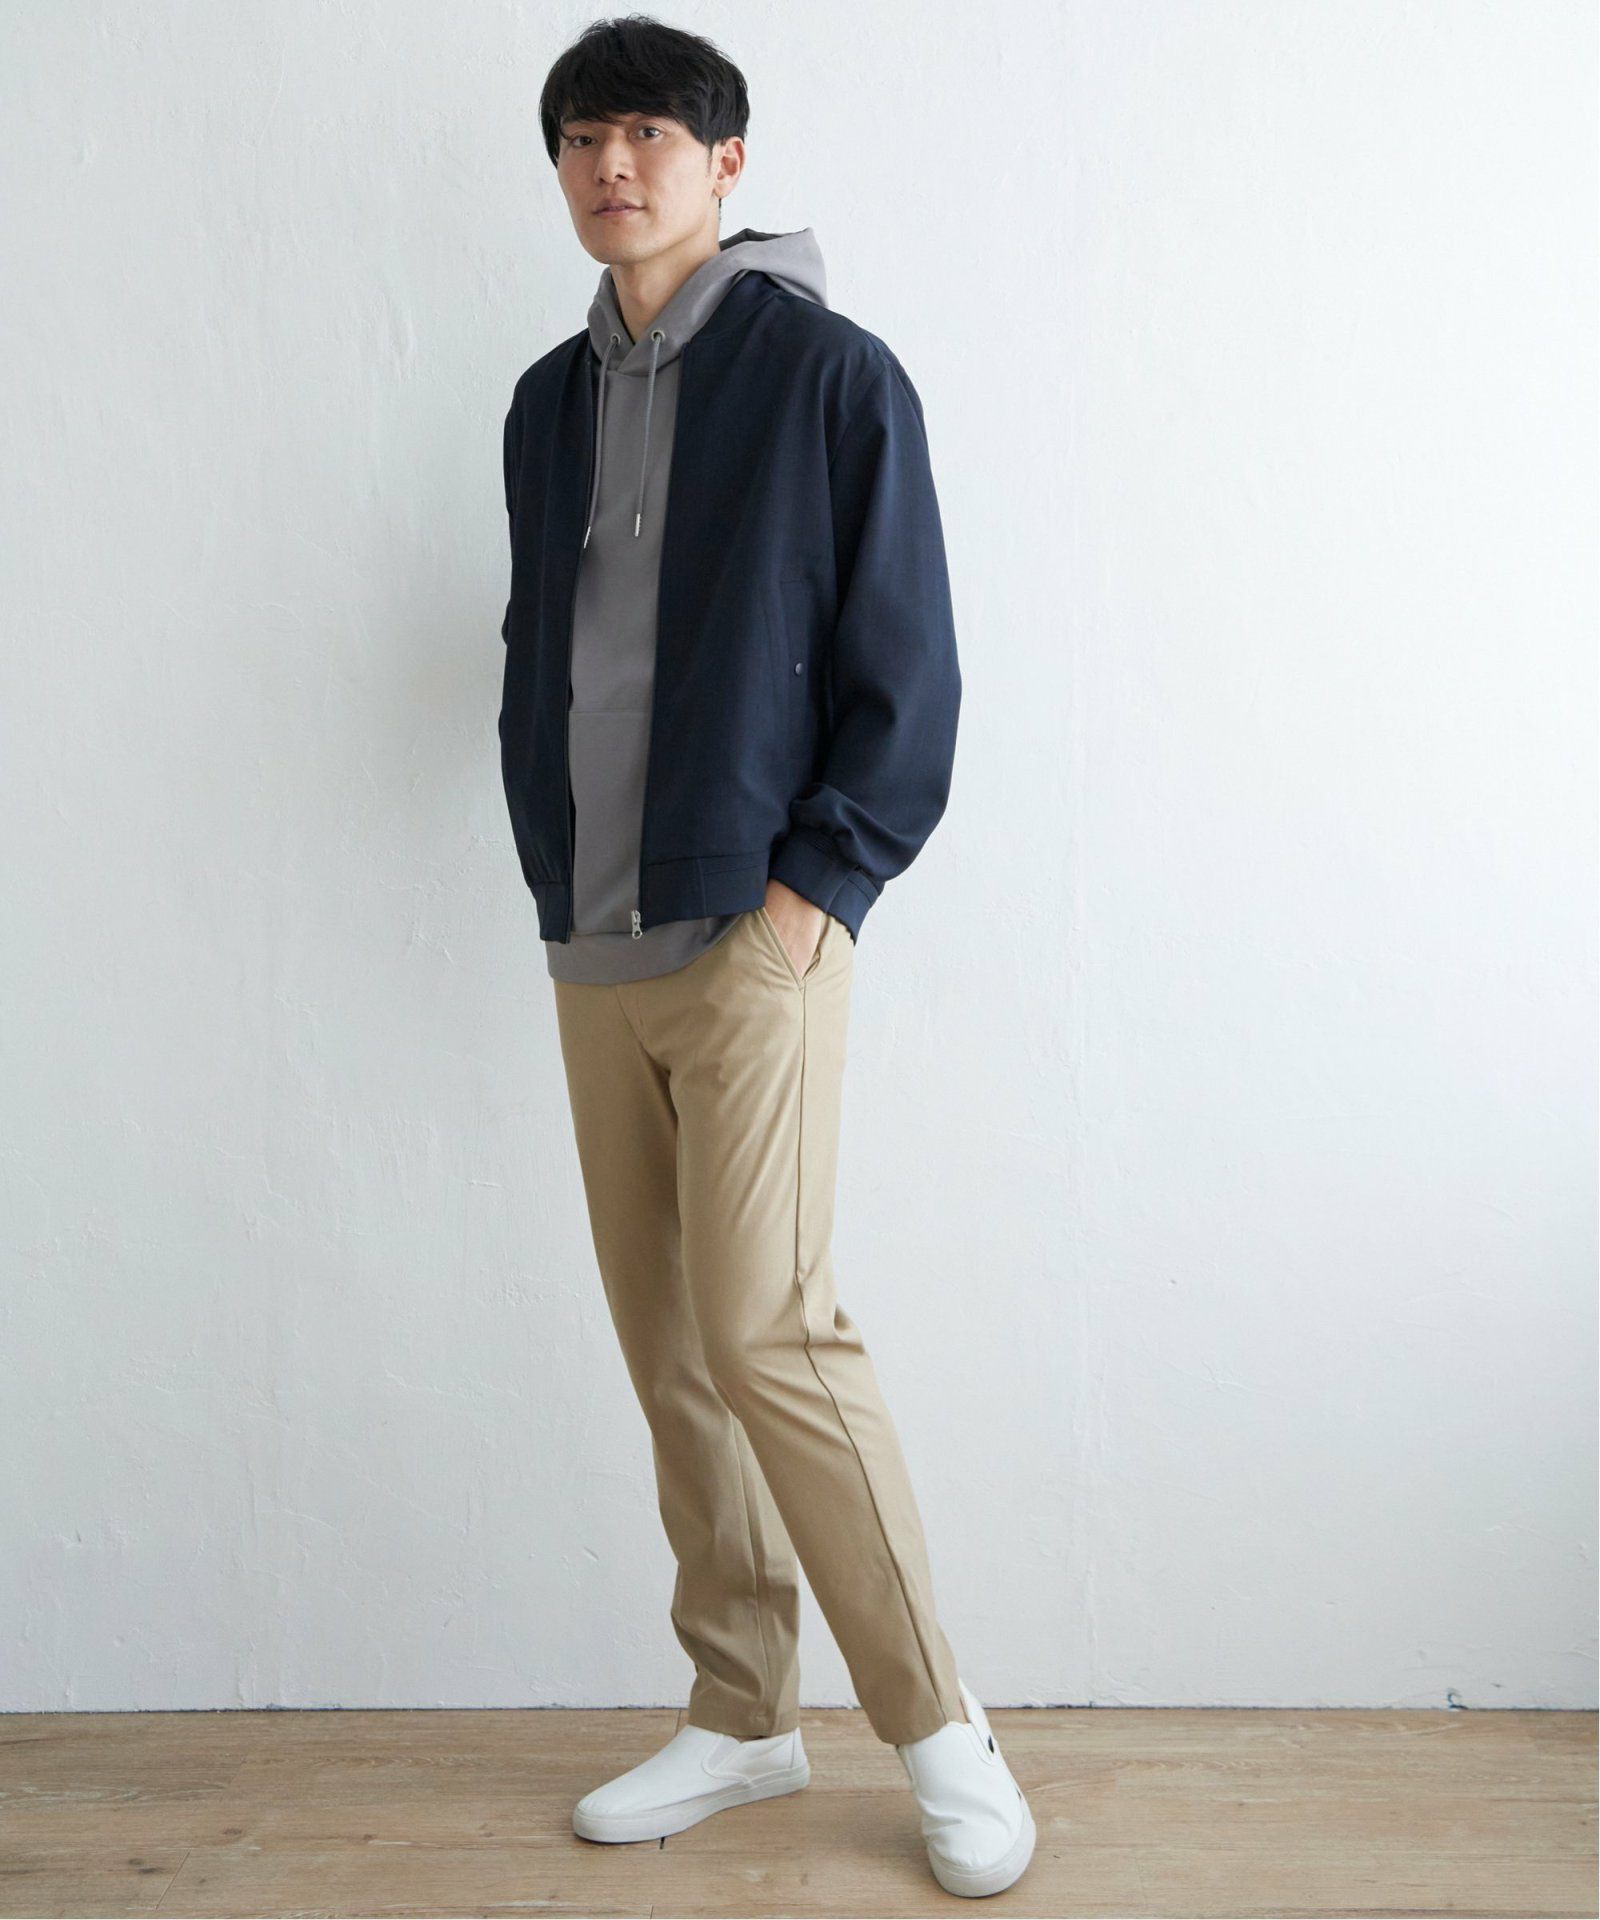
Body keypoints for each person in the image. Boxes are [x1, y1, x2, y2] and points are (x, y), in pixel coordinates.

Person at [497, 15, 1035, 1899]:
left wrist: (818, 890)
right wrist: (550, 863)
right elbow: (542, 649)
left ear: (726, 163)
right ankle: (741, 1711)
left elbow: (910, 663)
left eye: (648, 132)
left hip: (756, 929)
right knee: (670, 1350)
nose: (611, 165)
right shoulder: (545, 404)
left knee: (770, 1331)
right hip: (594, 937)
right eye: (583, 137)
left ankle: (944, 1733)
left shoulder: (828, 374)